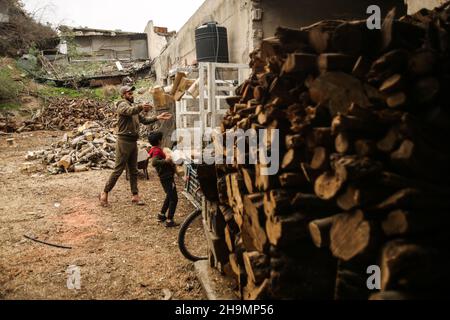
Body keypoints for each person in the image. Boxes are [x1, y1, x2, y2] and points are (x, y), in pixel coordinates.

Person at [99, 85, 172, 207]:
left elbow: (144, 120)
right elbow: (128, 111)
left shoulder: (133, 108)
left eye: (132, 93)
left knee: (133, 170)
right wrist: (140, 107)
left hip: (133, 142)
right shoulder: (122, 104)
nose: (131, 95)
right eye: (129, 94)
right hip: (123, 142)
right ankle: (105, 192)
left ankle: (135, 195)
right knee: (118, 170)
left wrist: (158, 117)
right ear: (123, 95)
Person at [148, 131, 179, 228]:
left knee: (169, 195)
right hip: (167, 177)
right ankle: (170, 220)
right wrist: (166, 160)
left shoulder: (154, 149)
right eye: (161, 138)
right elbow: (154, 162)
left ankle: (161, 215)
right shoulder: (157, 150)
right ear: (159, 140)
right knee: (174, 198)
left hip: (164, 177)